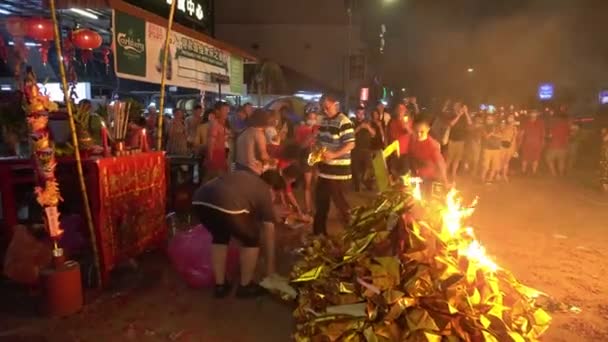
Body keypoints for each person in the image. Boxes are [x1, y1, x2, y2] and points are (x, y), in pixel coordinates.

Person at [192, 170, 285, 298]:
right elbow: (269, 230)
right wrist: (270, 268)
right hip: (226, 203)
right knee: (252, 238)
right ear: (271, 187)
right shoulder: (264, 191)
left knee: (220, 236)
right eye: (276, 194)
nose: (274, 199)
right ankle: (245, 287)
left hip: (199, 200)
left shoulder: (246, 177)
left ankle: (220, 286)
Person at [313, 94, 355, 235]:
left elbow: (350, 144)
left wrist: (333, 154)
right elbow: (320, 140)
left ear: (335, 104)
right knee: (321, 205)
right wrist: (317, 150)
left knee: (342, 207)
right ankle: (319, 234)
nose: (324, 110)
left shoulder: (344, 121)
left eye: (327, 107)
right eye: (322, 107)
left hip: (339, 173)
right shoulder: (324, 121)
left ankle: (352, 236)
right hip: (324, 170)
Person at [409, 119, 449, 195]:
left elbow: (441, 164)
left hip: (428, 178)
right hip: (417, 174)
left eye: (422, 132)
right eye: (416, 131)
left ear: (428, 129)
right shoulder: (414, 140)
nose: (419, 134)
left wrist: (445, 181)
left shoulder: (432, 146)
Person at [295, 108, 319, 214]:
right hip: (306, 159)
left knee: (318, 184)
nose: (313, 120)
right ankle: (308, 208)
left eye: (314, 118)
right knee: (307, 185)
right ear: (306, 118)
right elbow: (300, 146)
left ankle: (316, 206)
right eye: (310, 118)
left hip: (317, 158)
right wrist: (311, 136)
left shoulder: (318, 128)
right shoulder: (301, 129)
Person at [235, 109, 274, 175]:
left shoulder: (244, 131)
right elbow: (263, 156)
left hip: (238, 167)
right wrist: (272, 161)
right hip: (251, 169)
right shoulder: (258, 134)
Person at [445, 102, 472, 181]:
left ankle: (453, 174)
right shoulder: (452, 115)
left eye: (459, 106)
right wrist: (459, 115)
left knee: (457, 159)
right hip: (452, 140)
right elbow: (451, 124)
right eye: (455, 106)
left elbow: (470, 123)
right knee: (449, 158)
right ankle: (445, 173)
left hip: (461, 141)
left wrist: (466, 113)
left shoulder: (464, 116)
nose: (457, 107)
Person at [352, 106, 376, 191]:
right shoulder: (352, 122)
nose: (361, 115)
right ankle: (357, 186)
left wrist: (368, 128)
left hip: (366, 150)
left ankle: (367, 184)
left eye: (362, 113)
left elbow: (373, 134)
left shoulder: (368, 123)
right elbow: (351, 134)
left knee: (368, 169)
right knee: (355, 169)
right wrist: (359, 128)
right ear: (356, 113)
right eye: (359, 113)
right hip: (356, 149)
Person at [387, 103, 412, 178]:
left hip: (405, 152)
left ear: (405, 111)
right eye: (399, 109)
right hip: (394, 151)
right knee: (394, 171)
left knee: (404, 172)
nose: (400, 111)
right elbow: (389, 136)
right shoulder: (392, 122)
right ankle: (396, 186)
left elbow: (410, 132)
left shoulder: (408, 121)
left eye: (402, 109)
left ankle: (403, 186)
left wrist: (404, 123)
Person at [206, 102, 230, 179]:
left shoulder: (221, 124)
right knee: (216, 180)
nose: (227, 112)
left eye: (228, 110)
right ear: (217, 111)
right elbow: (210, 142)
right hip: (215, 155)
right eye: (225, 110)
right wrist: (210, 159)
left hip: (221, 154)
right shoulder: (214, 124)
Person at [519, 110, 545, 176]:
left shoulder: (540, 123)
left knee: (536, 158)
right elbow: (522, 133)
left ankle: (534, 172)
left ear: (537, 115)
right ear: (530, 115)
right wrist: (520, 142)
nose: (533, 116)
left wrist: (542, 143)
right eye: (532, 114)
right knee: (525, 158)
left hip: (537, 144)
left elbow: (543, 134)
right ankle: (523, 172)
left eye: (535, 114)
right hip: (527, 143)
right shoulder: (526, 123)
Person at [545, 111, 570, 177]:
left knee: (548, 159)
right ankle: (561, 174)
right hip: (563, 146)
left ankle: (554, 173)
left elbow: (550, 135)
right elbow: (568, 137)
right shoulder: (566, 126)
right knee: (561, 161)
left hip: (554, 145)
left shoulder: (555, 125)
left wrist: (548, 138)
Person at [480, 115, 503, 184]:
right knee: (485, 166)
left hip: (496, 149)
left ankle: (489, 179)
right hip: (487, 149)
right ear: (486, 120)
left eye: (491, 119)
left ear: (493, 120)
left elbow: (501, 136)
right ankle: (482, 179)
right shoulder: (483, 127)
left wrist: (493, 134)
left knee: (494, 166)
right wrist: (492, 133)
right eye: (488, 119)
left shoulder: (497, 127)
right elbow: (486, 137)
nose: (489, 120)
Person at [498, 114, 518, 182]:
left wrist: (515, 149)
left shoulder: (515, 127)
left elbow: (515, 138)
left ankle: (504, 175)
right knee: (501, 161)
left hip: (510, 147)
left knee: (506, 162)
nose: (510, 119)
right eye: (509, 117)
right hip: (502, 146)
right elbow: (501, 134)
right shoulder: (504, 125)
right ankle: (498, 174)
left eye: (512, 117)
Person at [600, 128, 608, 192]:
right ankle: (604, 186)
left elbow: (604, 149)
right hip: (605, 158)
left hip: (605, 158)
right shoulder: (605, 139)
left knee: (605, 172)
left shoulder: (606, 139)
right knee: (604, 172)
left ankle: (605, 186)